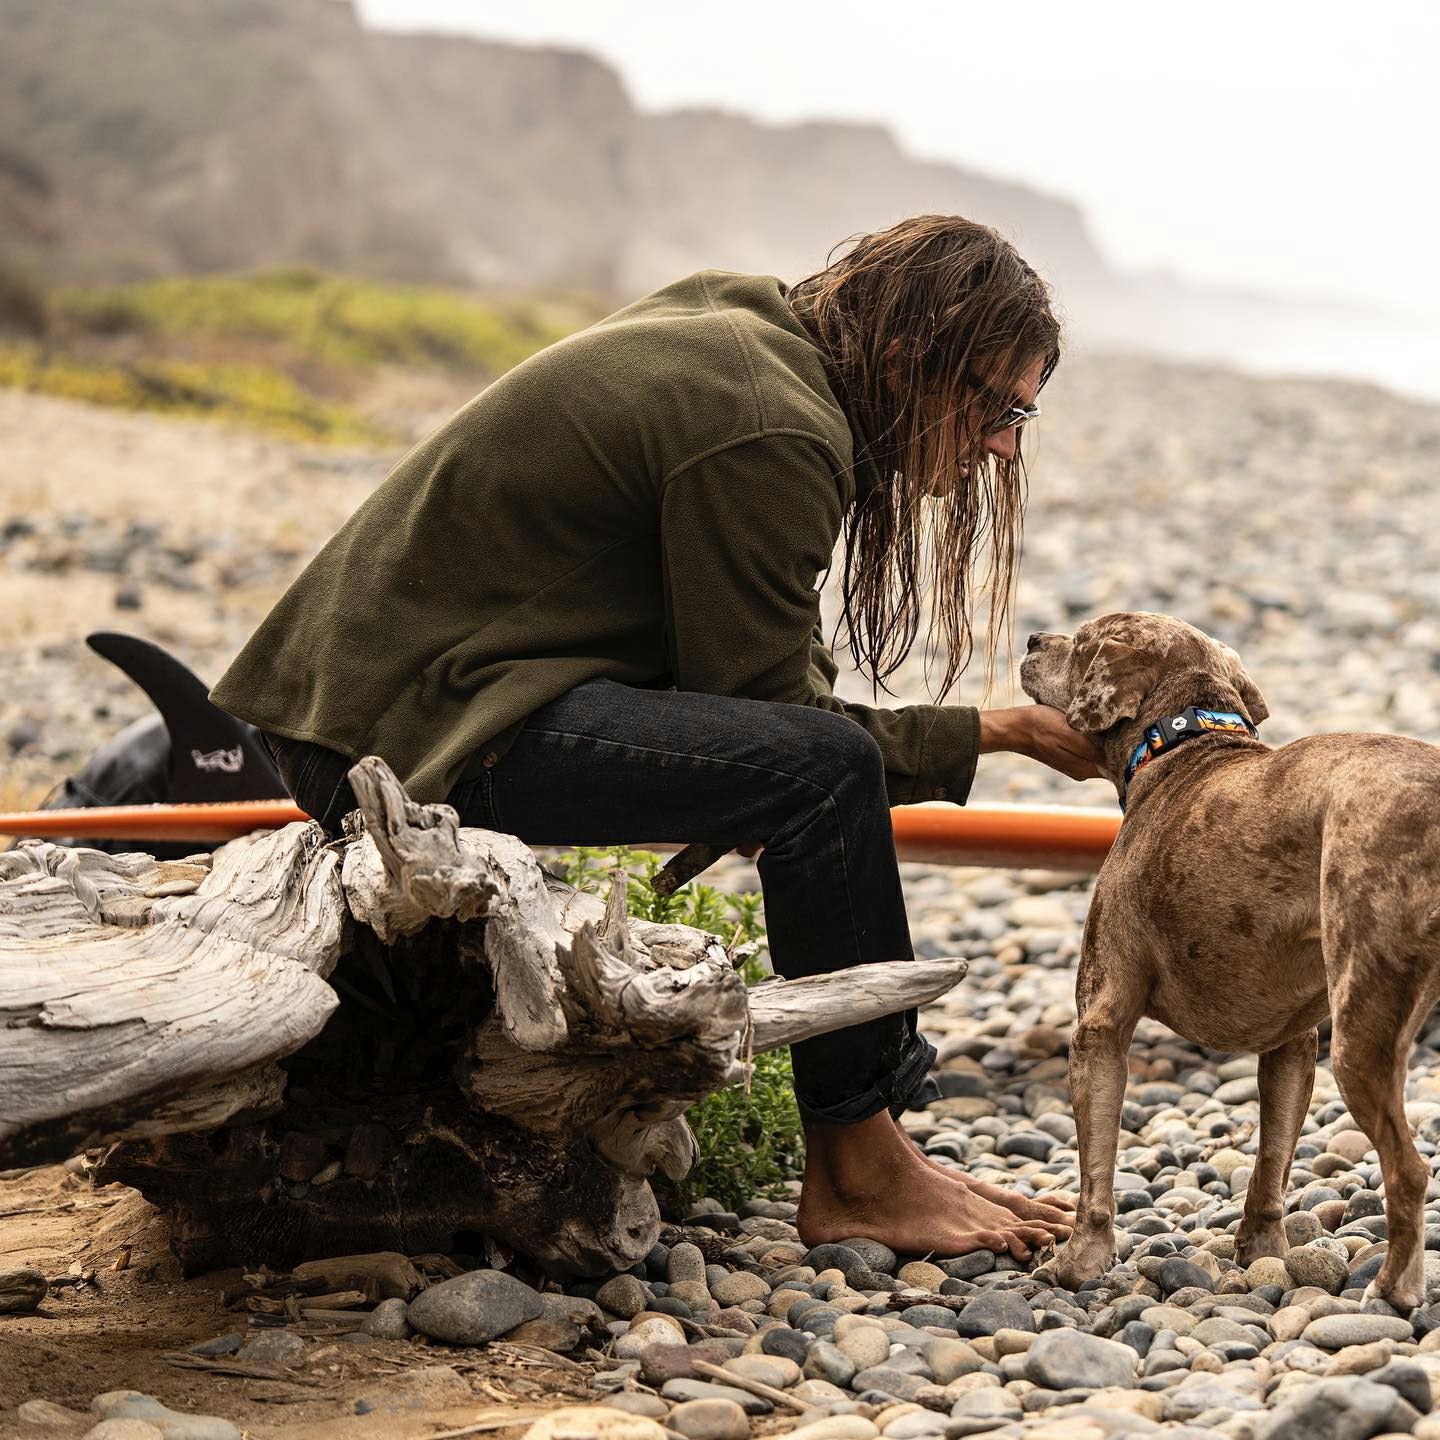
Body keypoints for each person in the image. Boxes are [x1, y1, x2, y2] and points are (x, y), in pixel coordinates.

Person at [212, 213, 1100, 1258]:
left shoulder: (753, 336)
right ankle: (860, 1171)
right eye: (997, 407)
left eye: (1021, 417)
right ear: (909, 359)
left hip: (377, 702)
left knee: (817, 768)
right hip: (403, 733)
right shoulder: (770, 426)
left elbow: (774, 678)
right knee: (824, 775)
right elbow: (788, 732)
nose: (1004, 444)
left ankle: (879, 1145)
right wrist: (997, 731)